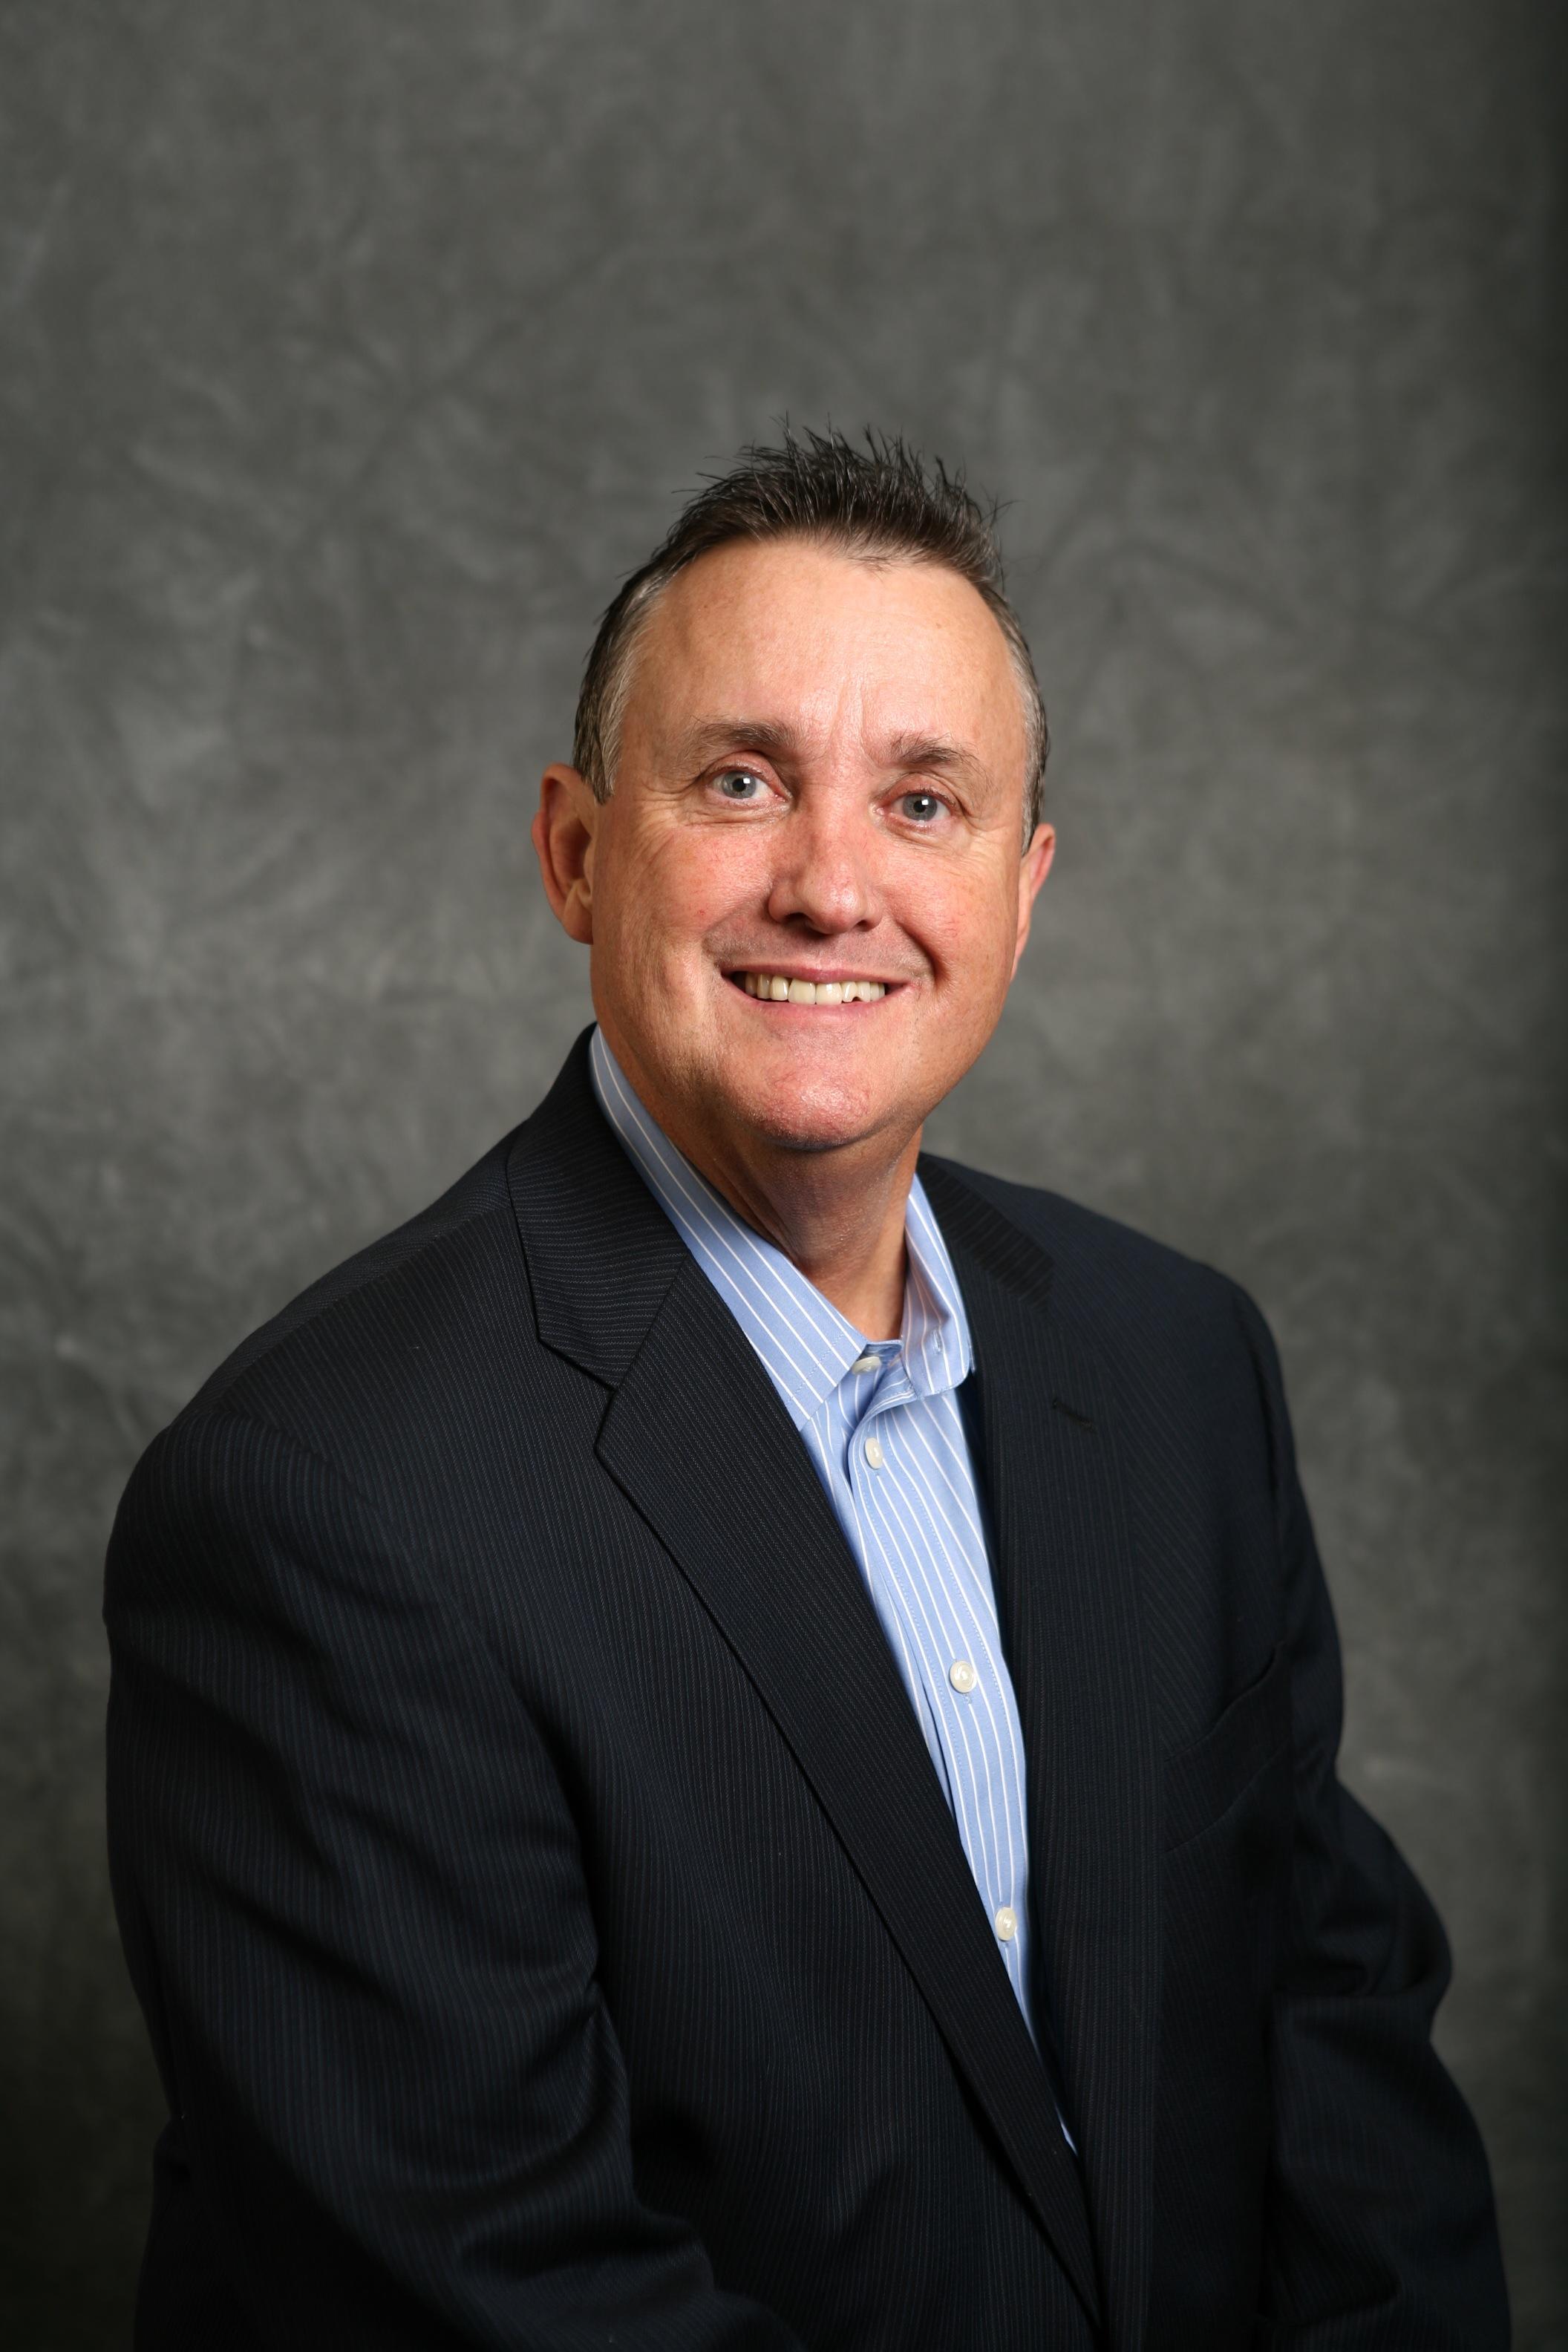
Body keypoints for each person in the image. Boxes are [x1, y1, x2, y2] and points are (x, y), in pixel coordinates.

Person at [104, 429, 1509, 2350]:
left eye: (924, 803)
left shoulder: (1180, 1365)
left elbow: (1338, 2060)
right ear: (576, 853)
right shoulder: (325, 1505)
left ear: (1023, 888)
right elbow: (493, 2296)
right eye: (742, 781)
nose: (834, 885)